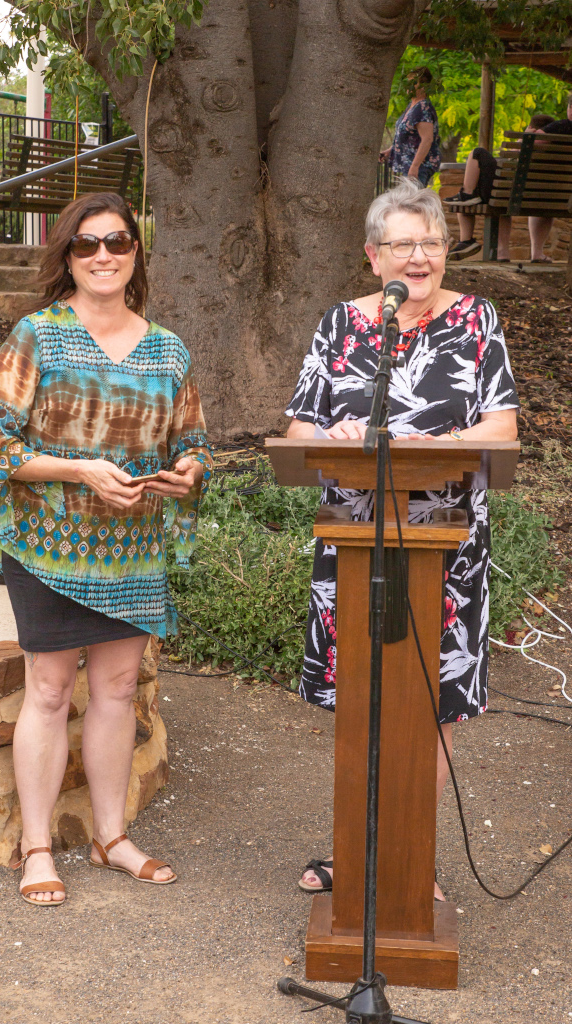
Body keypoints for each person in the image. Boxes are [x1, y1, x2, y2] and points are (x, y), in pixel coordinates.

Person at [0, 192, 213, 906]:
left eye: (117, 242)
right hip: (49, 544)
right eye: (86, 245)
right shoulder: (36, 337)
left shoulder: (168, 349)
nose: (103, 255)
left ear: (136, 254)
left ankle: (111, 838)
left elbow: (193, 441)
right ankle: (37, 847)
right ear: (67, 258)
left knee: (112, 691)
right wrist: (79, 470)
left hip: (130, 547)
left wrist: (189, 470)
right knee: (47, 691)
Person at [285, 178, 518, 900]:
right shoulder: (340, 325)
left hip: (445, 547)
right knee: (362, 696)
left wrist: (433, 438)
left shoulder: (476, 319)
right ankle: (358, 854)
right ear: (372, 256)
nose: (418, 257)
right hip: (353, 542)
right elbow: (297, 431)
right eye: (402, 244)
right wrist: (337, 432)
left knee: (432, 700)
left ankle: (409, 854)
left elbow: (501, 427)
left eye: (432, 242)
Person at [445, 113, 555, 262]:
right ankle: (515, 253)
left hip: (508, 196)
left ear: (531, 127)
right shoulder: (555, 151)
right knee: (498, 198)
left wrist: (523, 138)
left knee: (478, 154)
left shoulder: (529, 142)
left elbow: (510, 162)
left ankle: (468, 232)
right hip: (543, 198)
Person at [528, 92, 572, 263]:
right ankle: (537, 254)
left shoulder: (559, 127)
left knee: (542, 194)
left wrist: (526, 135)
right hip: (564, 195)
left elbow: (528, 147)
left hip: (542, 193)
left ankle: (536, 253)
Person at [380, 66, 441, 187]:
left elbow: (427, 139)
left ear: (423, 86)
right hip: (405, 165)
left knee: (411, 203)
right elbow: (408, 137)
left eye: (413, 82)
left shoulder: (423, 108)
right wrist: (390, 151)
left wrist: (415, 167)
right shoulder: (413, 104)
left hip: (418, 167)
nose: (409, 85)